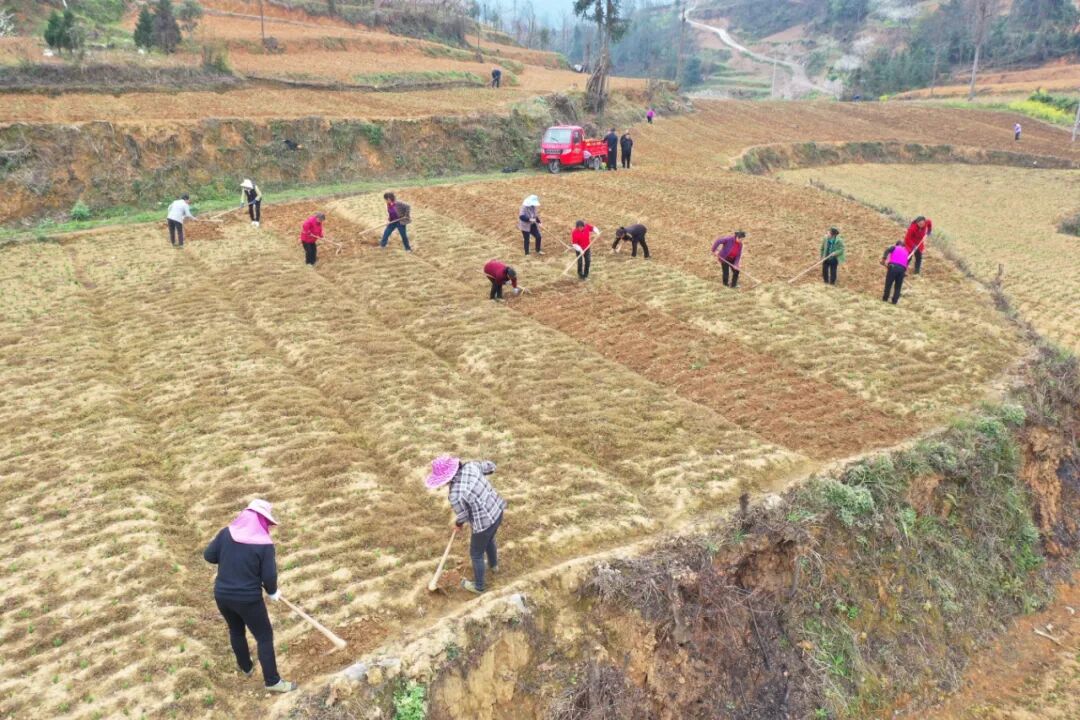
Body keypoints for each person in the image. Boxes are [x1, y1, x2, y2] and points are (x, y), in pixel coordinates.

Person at [203, 500, 295, 693]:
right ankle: (272, 681)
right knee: (264, 636)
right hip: (248, 600)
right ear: (262, 521)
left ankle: (246, 667)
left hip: (222, 595)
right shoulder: (264, 544)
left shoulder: (226, 533)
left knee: (236, 631)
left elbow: (209, 556)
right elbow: (269, 576)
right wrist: (272, 591)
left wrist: (230, 559)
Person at [425, 455, 507, 595]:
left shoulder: (455, 494)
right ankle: (494, 566)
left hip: (483, 524)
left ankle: (479, 586)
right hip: (497, 511)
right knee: (489, 540)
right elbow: (489, 466)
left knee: (476, 554)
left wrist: (458, 524)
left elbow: (463, 515)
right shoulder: (471, 466)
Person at [881, 240, 910, 304]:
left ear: (897, 244)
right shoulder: (906, 252)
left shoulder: (894, 247)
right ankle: (894, 301)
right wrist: (904, 272)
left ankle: (885, 299)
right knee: (898, 286)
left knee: (888, 283)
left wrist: (884, 259)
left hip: (893, 267)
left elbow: (887, 250)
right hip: (902, 269)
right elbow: (906, 263)